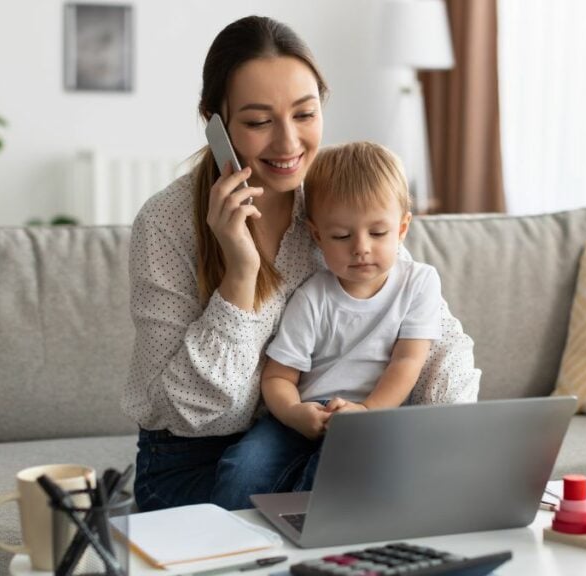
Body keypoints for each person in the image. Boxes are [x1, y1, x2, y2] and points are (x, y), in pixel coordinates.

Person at [122, 15, 480, 513]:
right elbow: (190, 413)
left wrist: (444, 439)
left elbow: (435, 335)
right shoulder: (166, 224)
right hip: (190, 463)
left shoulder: (337, 198)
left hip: (318, 441)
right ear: (214, 121)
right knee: (361, 506)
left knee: (402, 504)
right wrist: (240, 273)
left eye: (305, 115)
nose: (289, 144)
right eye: (258, 121)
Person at [209, 142, 442, 510]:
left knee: (334, 472)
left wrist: (366, 414)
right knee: (243, 468)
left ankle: (303, 544)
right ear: (317, 235)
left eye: (378, 233)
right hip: (308, 412)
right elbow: (278, 377)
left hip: (378, 415)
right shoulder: (312, 296)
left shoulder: (419, 283)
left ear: (402, 228)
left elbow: (408, 362)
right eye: (341, 236)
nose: (360, 248)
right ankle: (226, 548)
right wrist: (294, 413)